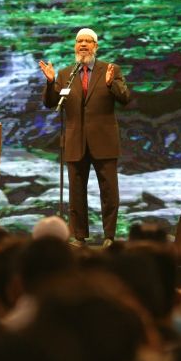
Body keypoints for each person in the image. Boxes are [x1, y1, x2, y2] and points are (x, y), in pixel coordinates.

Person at [40, 28, 131, 248]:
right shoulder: (64, 74)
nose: (83, 45)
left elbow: (125, 98)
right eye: (79, 41)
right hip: (75, 141)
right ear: (74, 46)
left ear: (95, 47)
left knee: (109, 191)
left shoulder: (110, 69)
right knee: (76, 192)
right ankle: (79, 237)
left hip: (104, 140)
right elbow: (51, 103)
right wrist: (51, 83)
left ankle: (109, 236)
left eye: (88, 41)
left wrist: (112, 84)